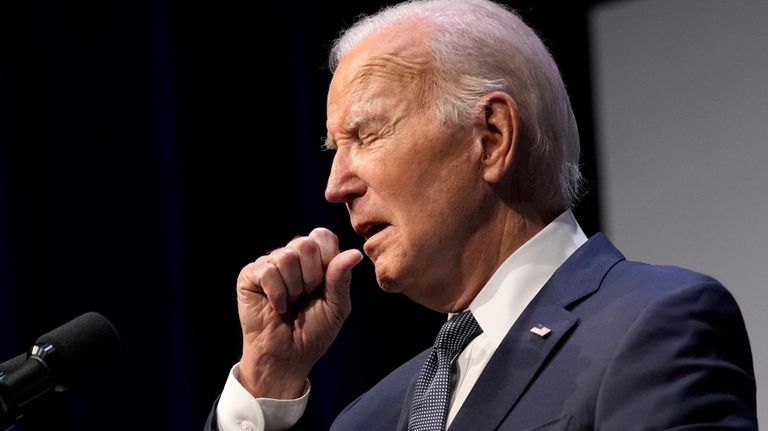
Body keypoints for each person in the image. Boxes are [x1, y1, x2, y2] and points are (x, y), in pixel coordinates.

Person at [205, 0, 758, 429]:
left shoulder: (650, 326)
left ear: (491, 137)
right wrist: (269, 382)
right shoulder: (369, 417)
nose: (335, 187)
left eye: (367, 134)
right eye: (334, 150)